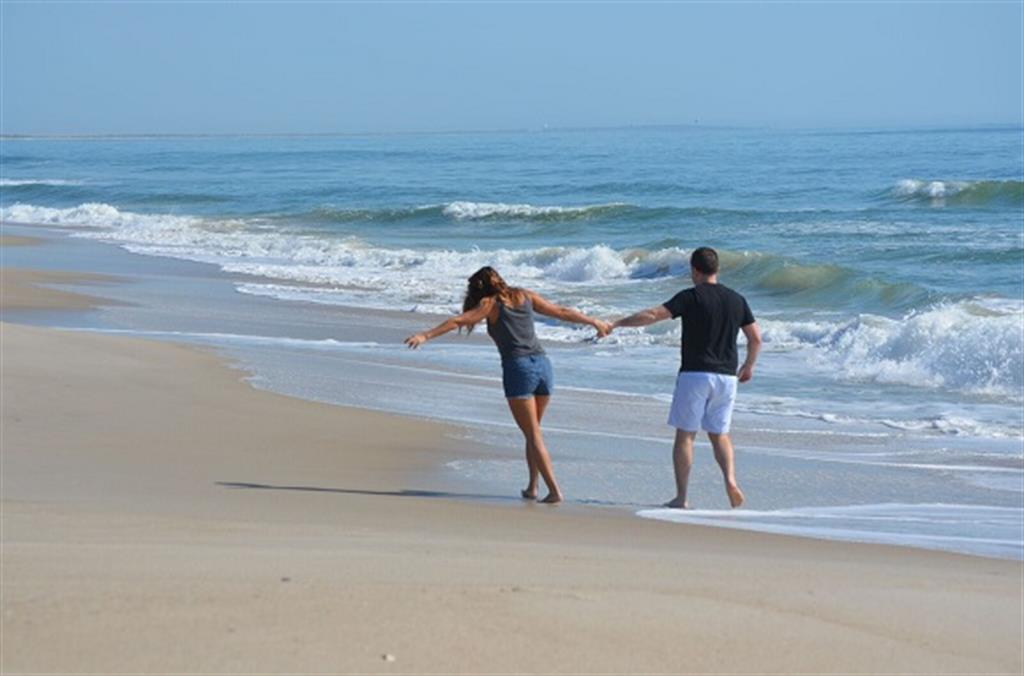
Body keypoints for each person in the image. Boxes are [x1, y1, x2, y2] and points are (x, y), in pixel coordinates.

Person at [405, 266, 611, 504]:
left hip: (519, 368)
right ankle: (532, 487)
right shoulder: (525, 295)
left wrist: (425, 335)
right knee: (533, 433)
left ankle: (554, 491)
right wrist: (594, 321)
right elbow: (561, 311)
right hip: (543, 366)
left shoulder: (489, 304)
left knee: (533, 435)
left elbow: (458, 320)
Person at [609, 247, 761, 509]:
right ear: (717, 270)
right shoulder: (737, 300)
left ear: (694, 270)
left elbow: (654, 315)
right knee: (720, 434)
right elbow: (755, 338)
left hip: (695, 374)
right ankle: (731, 481)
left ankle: (682, 497)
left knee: (686, 436)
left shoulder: (691, 297)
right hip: (726, 378)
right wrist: (748, 366)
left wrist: (618, 323)